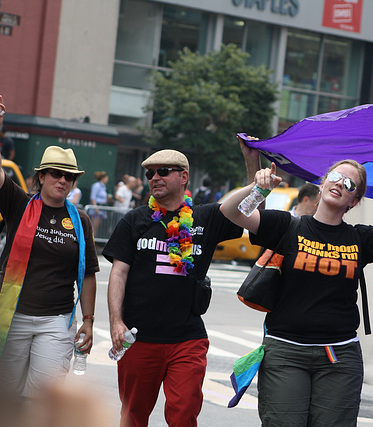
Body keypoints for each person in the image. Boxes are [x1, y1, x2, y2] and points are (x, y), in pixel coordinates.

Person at [220, 158, 373, 426]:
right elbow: (231, 211)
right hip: (286, 351)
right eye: (335, 176)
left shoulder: (361, 238)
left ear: (353, 201)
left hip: (339, 357)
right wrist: (258, 188)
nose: (339, 184)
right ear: (322, 184)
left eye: (349, 184)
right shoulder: (289, 226)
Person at [103, 147, 259, 427]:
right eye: (150, 173)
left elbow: (248, 207)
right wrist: (116, 323)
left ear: (184, 176)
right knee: (133, 417)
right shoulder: (134, 221)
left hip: (187, 339)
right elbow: (118, 274)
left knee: (184, 415)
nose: (154, 178)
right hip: (138, 338)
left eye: (163, 171)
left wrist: (252, 164)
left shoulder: (204, 218)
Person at [0, 109, 99, 400]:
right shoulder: (19, 203)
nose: (63, 181)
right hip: (12, 315)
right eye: (56, 174)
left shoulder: (80, 220)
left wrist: (89, 320)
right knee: (7, 397)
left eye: (69, 177)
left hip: (57, 321)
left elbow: (89, 273)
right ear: (41, 176)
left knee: (42, 400)